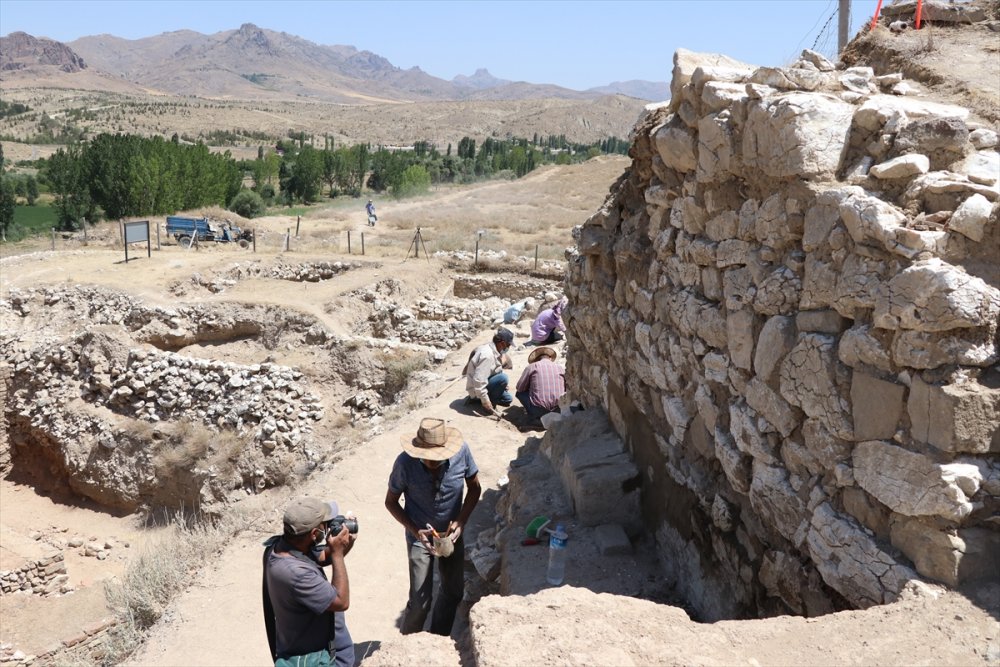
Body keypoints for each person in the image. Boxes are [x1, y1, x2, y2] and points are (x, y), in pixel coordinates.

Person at [385, 418, 481, 636]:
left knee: (453, 592)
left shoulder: (462, 453)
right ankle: (408, 644)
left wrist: (461, 521)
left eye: (437, 458)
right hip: (419, 537)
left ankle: (437, 638)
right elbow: (390, 502)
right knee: (420, 603)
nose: (432, 462)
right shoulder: (404, 463)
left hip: (450, 536)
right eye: (427, 458)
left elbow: (475, 488)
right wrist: (415, 530)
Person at [263, 497, 356, 667]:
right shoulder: (296, 574)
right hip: (319, 657)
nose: (328, 527)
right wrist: (337, 554)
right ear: (314, 534)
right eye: (325, 525)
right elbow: (341, 602)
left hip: (298, 640)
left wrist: (347, 542)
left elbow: (321, 556)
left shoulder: (282, 547)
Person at [464, 327, 514, 415]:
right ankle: (487, 406)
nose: (508, 347)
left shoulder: (494, 349)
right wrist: (485, 401)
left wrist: (502, 385)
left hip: (483, 383)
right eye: (508, 345)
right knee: (503, 378)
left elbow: (496, 369)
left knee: (507, 399)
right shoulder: (488, 355)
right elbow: (479, 380)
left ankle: (478, 399)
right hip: (476, 387)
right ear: (502, 343)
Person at [515, 346, 565, 422]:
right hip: (558, 409)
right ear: (550, 358)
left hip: (539, 410)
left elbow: (520, 388)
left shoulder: (532, 366)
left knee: (519, 393)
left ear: (536, 359)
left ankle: (533, 415)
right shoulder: (560, 368)